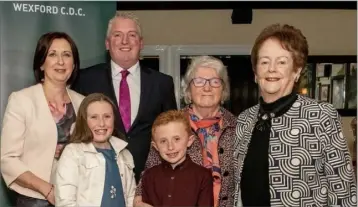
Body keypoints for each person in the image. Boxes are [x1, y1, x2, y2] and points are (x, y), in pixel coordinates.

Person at [233, 24, 357, 207]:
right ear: (255, 72)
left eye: (282, 62)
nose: (271, 69)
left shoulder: (321, 116)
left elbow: (344, 194)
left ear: (296, 71)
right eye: (264, 62)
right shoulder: (244, 120)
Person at [71, 11, 177, 183]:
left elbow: (173, 130)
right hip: (96, 179)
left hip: (150, 180)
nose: (125, 41)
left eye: (132, 35)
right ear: (107, 43)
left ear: (141, 43)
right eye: (117, 35)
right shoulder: (85, 80)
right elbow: (76, 130)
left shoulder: (162, 83)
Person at [134, 56, 237, 207]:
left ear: (223, 89)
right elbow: (151, 170)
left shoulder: (237, 126)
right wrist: (138, 199)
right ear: (188, 89)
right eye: (199, 81)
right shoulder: (170, 124)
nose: (207, 88)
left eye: (215, 81)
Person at [0, 32, 84, 207]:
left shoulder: (83, 103)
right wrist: (47, 189)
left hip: (76, 199)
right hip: (33, 200)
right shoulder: (22, 100)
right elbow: (7, 159)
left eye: (67, 55)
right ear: (41, 63)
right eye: (52, 54)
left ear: (74, 64)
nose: (60, 61)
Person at [55, 93, 136, 207]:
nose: (101, 123)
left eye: (107, 116)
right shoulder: (73, 153)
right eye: (94, 117)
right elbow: (65, 202)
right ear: (84, 120)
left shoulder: (124, 154)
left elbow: (131, 197)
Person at [141, 110, 214, 206]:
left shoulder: (203, 176)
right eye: (163, 141)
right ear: (155, 146)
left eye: (177, 139)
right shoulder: (149, 176)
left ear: (189, 141)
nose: (170, 147)